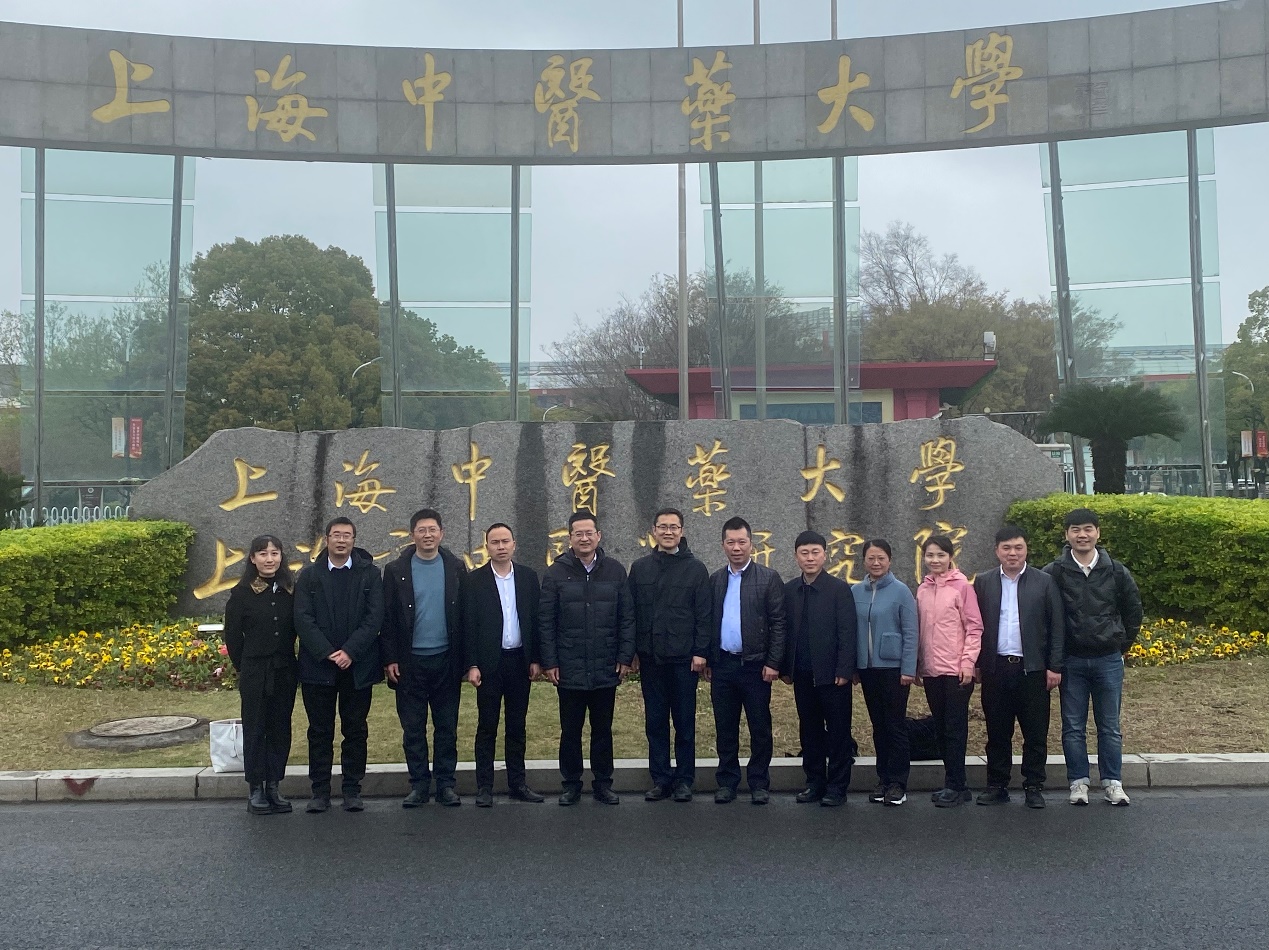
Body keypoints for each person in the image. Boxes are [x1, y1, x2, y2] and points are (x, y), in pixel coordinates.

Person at [1044, 508, 1142, 807]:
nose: (1082, 535)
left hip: (1107, 660)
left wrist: (1119, 644)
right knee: (1073, 726)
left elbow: (1133, 612)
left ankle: (1113, 783)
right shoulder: (1054, 572)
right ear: (1066, 535)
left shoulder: (1116, 571)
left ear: (1098, 533)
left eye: (1088, 529)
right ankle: (1078, 782)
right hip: (1072, 660)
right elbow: (1045, 617)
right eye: (1075, 529)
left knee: (1109, 726)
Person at [539, 510, 636, 806]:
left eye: (589, 533)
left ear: (598, 536)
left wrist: (624, 656)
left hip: (606, 664)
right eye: (578, 534)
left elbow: (627, 617)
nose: (584, 538)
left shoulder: (615, 571)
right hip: (569, 666)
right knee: (570, 731)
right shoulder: (556, 573)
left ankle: (603, 783)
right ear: (570, 538)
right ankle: (570, 784)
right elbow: (546, 621)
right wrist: (550, 661)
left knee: (602, 730)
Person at [294, 517, 384, 813]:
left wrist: (350, 652)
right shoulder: (309, 576)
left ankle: (352, 789)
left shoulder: (370, 574)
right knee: (319, 731)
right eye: (336, 535)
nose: (341, 540)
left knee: (355, 730)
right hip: (318, 667)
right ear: (327, 539)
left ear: (354, 540)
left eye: (347, 535)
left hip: (357, 667)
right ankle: (319, 791)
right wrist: (327, 652)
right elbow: (303, 618)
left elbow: (374, 618)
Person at [974, 525, 1065, 809]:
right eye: (1006, 548)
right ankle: (997, 785)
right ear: (997, 551)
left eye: (1018, 548)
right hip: (996, 668)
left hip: (1033, 669)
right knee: (997, 732)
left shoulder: (1044, 582)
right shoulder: (984, 582)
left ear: (1026, 550)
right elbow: (974, 626)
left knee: (1035, 732)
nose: (1012, 553)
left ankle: (1034, 786)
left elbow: (1057, 626)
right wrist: (977, 663)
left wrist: (1054, 666)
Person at [382, 508, 467, 808]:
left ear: (441, 533)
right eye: (422, 530)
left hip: (446, 660)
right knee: (413, 729)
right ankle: (418, 784)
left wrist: (467, 661)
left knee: (446, 728)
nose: (428, 535)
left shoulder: (456, 567)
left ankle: (445, 785)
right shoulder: (395, 570)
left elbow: (464, 616)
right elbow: (387, 618)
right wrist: (390, 658)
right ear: (412, 535)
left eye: (433, 529)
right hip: (410, 663)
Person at [628, 507, 712, 803]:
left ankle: (684, 780)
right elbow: (631, 613)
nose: (667, 532)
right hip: (651, 658)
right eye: (662, 526)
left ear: (682, 531)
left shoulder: (696, 569)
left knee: (684, 723)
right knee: (655, 722)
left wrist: (701, 652)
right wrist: (632, 651)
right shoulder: (640, 568)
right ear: (653, 531)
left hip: (684, 659)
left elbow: (704, 614)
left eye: (673, 527)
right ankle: (661, 779)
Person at [463, 522, 545, 806]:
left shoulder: (528, 577)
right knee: (487, 726)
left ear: (514, 544)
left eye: (505, 541)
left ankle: (517, 783)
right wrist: (472, 664)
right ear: (487, 546)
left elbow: (535, 619)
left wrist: (536, 659)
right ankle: (484, 787)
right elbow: (468, 625)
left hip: (519, 661)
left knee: (516, 726)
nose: (501, 547)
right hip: (489, 664)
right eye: (495, 542)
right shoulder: (474, 581)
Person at [708, 516, 785, 805]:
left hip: (756, 666)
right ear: (723, 545)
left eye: (742, 542)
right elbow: (708, 622)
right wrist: (710, 659)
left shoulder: (768, 578)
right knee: (725, 727)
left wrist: (773, 662)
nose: (736, 548)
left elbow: (779, 623)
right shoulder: (716, 580)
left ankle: (759, 782)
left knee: (759, 727)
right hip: (723, 665)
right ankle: (727, 782)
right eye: (731, 542)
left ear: (751, 544)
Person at [779, 530, 857, 807]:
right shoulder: (789, 590)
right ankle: (814, 783)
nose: (810, 558)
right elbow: (785, 631)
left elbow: (847, 632)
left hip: (833, 675)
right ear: (796, 557)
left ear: (825, 556)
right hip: (802, 673)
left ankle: (837, 787)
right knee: (809, 730)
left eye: (815, 552)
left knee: (838, 732)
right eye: (804, 553)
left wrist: (845, 669)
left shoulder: (839, 589)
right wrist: (785, 668)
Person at [223, 534, 298, 816]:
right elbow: (233, 637)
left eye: (275, 553)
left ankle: (274, 785)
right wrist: (245, 665)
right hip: (255, 671)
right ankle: (255, 787)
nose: (270, 559)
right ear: (253, 559)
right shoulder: (242, 593)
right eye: (263, 554)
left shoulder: (289, 590)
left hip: (285, 670)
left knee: (280, 728)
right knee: (255, 728)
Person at [915, 535, 983, 808]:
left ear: (950, 557)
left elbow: (974, 627)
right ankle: (953, 784)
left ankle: (956, 784)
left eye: (941, 555)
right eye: (930, 555)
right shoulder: (923, 589)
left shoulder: (962, 587)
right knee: (941, 728)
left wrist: (968, 663)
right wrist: (918, 666)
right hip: (932, 671)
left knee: (955, 729)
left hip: (957, 671)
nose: (935, 560)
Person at [851, 539, 918, 806]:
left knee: (895, 726)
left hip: (894, 669)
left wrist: (909, 668)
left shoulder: (901, 591)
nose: (876, 563)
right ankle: (883, 778)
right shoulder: (856, 591)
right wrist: (854, 667)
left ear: (889, 560)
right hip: (868, 669)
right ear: (864, 561)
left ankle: (898, 783)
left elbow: (911, 632)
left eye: (881, 558)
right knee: (878, 726)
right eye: (871, 558)